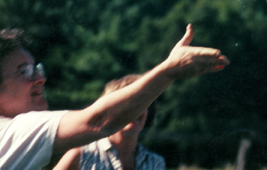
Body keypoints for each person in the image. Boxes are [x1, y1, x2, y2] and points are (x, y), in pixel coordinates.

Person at [0, 25, 229, 170]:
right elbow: (98, 121)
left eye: (37, 68)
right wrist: (169, 70)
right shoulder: (15, 131)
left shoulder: (155, 162)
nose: (41, 78)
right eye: (25, 71)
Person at [53, 74, 165, 170]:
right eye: (128, 103)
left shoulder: (156, 163)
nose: (135, 111)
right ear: (109, 109)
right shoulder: (82, 155)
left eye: (142, 103)